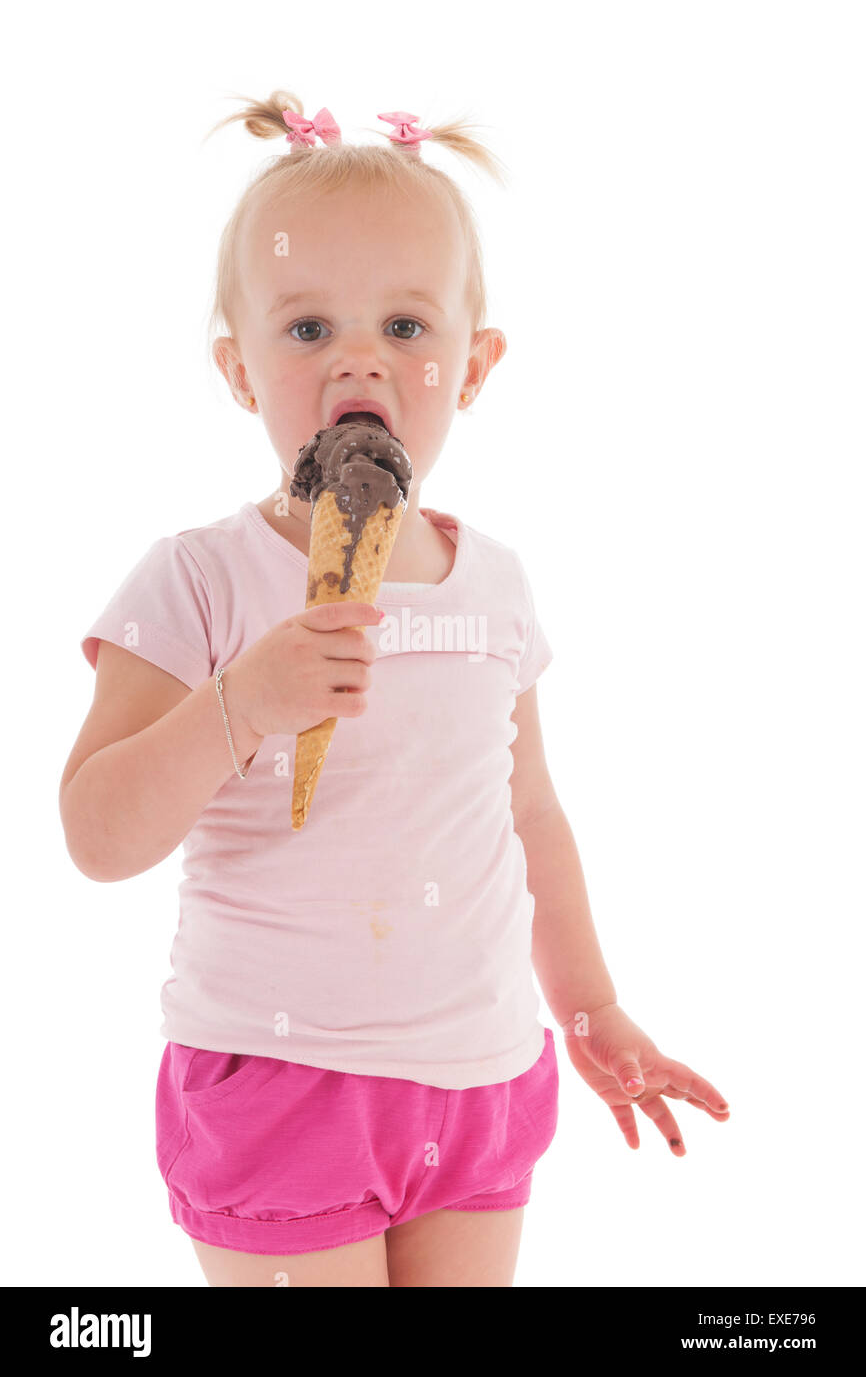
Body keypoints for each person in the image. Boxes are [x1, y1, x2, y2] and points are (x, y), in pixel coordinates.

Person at [59, 92, 730, 1288]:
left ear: (473, 369)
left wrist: (592, 1009)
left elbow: (530, 823)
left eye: (408, 326)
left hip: (478, 1079)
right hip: (280, 1086)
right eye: (308, 328)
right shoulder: (199, 576)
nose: (362, 358)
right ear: (237, 368)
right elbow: (97, 834)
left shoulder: (499, 584)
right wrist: (241, 704)